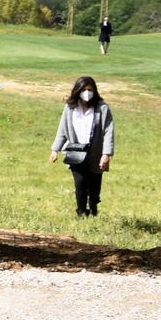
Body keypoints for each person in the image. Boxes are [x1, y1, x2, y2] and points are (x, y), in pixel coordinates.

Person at [49, 75, 115, 218]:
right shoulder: (70, 108)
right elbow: (63, 130)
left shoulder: (102, 108)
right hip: (75, 152)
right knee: (80, 183)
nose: (87, 92)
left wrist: (106, 154)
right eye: (84, 89)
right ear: (77, 90)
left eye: (90, 89)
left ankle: (93, 206)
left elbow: (108, 132)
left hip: (95, 152)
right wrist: (55, 149)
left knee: (94, 185)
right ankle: (81, 212)